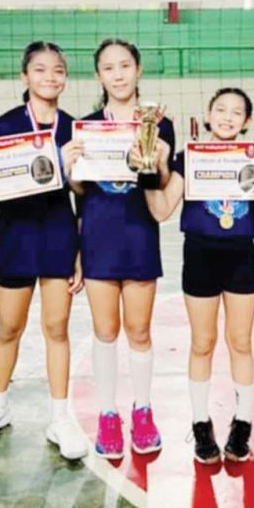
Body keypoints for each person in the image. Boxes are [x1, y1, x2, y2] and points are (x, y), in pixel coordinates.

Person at [143, 87, 254, 463]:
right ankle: (201, 424)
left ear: (247, 122)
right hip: (200, 256)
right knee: (202, 342)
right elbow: (162, 210)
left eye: (237, 112)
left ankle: (243, 423)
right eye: (221, 109)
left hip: (240, 257)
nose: (227, 116)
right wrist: (151, 168)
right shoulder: (190, 160)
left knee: (241, 341)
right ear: (207, 114)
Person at [0, 41, 87, 460]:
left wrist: (80, 250)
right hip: (17, 235)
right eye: (40, 69)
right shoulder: (4, 125)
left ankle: (60, 416)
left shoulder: (76, 128)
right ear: (24, 76)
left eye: (58, 70)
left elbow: (84, 195)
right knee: (9, 328)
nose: (50, 77)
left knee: (57, 329)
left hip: (58, 234)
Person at [61, 38, 175, 460]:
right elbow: (80, 191)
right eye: (109, 68)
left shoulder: (159, 124)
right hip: (99, 237)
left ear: (139, 69)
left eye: (125, 65)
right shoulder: (85, 125)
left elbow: (163, 186)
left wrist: (160, 160)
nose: (119, 74)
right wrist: (70, 169)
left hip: (140, 234)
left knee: (140, 332)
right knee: (105, 331)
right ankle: (107, 414)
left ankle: (142, 411)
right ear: (99, 76)